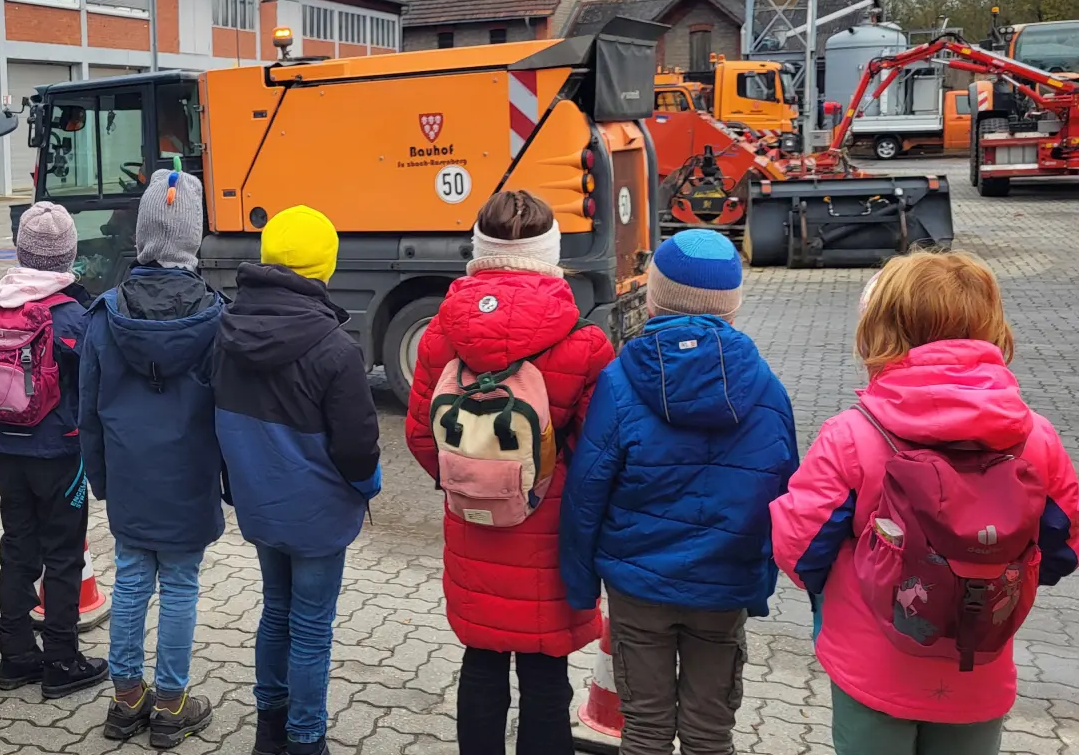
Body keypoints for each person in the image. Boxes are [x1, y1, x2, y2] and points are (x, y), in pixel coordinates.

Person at [771, 250, 1079, 755]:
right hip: (977, 665)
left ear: (882, 328)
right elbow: (1063, 546)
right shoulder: (1036, 437)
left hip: (872, 662)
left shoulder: (854, 433)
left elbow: (799, 547)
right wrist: (983, 575)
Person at [560, 229, 800, 755]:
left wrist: (580, 588)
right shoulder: (766, 388)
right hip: (723, 587)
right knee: (710, 734)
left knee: (643, 730)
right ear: (733, 304)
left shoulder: (620, 380)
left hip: (638, 587)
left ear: (653, 296)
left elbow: (586, 492)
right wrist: (758, 582)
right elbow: (786, 498)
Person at [403, 189, 611, 755]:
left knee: (482, 666)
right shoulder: (584, 343)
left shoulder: (440, 337)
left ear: (480, 248)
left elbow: (421, 435)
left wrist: (469, 483)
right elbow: (599, 456)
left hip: (472, 527)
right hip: (551, 539)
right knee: (546, 678)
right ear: (550, 252)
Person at [213, 205, 381, 755]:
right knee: (311, 627)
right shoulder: (336, 348)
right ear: (324, 268)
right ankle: (306, 739)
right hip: (318, 516)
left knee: (275, 610)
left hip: (260, 507)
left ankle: (269, 730)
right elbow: (358, 447)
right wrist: (368, 487)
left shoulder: (226, 332)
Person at [79, 170, 225, 748]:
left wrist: (100, 478)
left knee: (133, 580)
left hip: (130, 474)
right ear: (195, 235)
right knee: (183, 585)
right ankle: (171, 703)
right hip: (190, 476)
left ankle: (125, 701)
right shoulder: (217, 315)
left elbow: (88, 409)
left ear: (141, 232)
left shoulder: (105, 314)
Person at [0, 202, 107, 698]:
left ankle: (14, 657)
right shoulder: (74, 315)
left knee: (17, 547)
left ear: (21, 251)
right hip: (60, 453)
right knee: (62, 554)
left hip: (7, 450)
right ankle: (61, 659)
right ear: (69, 255)